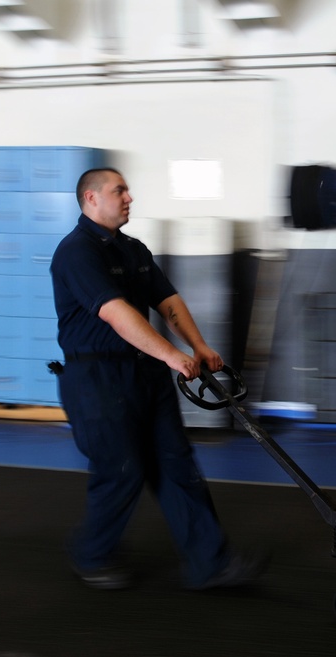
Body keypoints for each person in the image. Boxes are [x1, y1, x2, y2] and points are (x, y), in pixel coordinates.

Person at [50, 167, 266, 590]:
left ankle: (211, 563)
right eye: (120, 191)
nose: (129, 197)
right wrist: (172, 354)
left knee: (176, 465)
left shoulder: (132, 249)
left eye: (128, 190)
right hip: (98, 379)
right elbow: (115, 312)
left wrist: (198, 345)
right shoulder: (76, 252)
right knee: (123, 470)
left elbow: (167, 299)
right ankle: (91, 555)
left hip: (144, 373)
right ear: (91, 198)